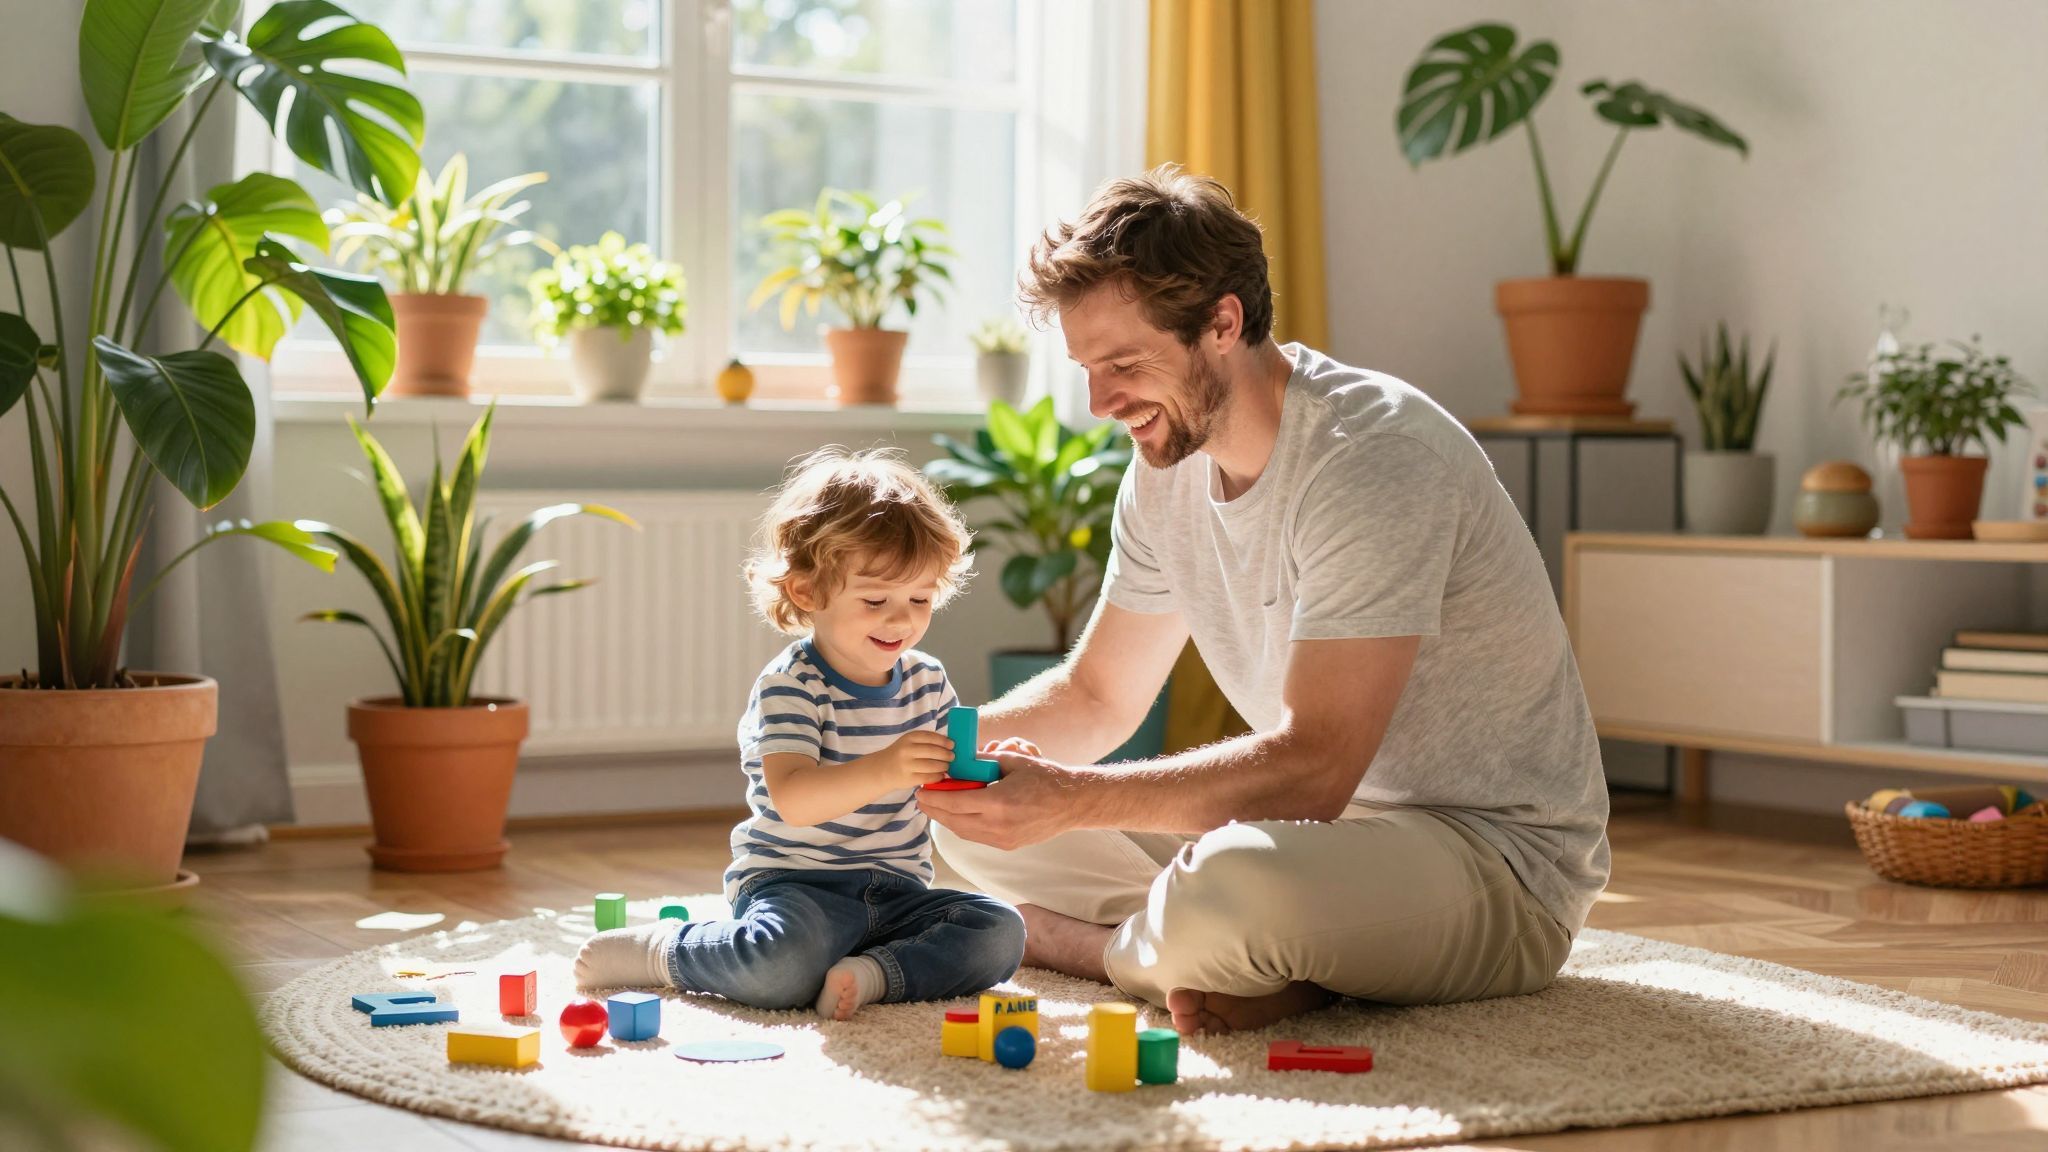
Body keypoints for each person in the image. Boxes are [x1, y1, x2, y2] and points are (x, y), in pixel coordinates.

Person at [918, 166, 1611, 1036]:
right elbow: (1098, 697)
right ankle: (1220, 957)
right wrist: (929, 753)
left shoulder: (1373, 458)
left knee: (1237, 881)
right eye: (1088, 370)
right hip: (1317, 846)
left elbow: (1318, 770)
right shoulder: (1165, 469)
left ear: (1223, 322)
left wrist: (1072, 798)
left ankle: (1084, 946)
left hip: (1494, 865)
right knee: (969, 821)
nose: (1100, 404)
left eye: (1124, 364)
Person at [575, 448, 1026, 1019]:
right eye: (875, 600)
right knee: (780, 967)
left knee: (1000, 931)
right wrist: (887, 766)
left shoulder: (928, 681)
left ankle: (870, 973)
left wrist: (990, 768)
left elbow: (943, 780)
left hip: (898, 893)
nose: (901, 619)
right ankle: (668, 951)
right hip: (796, 888)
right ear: (808, 593)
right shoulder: (791, 686)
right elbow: (794, 800)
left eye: (920, 598)